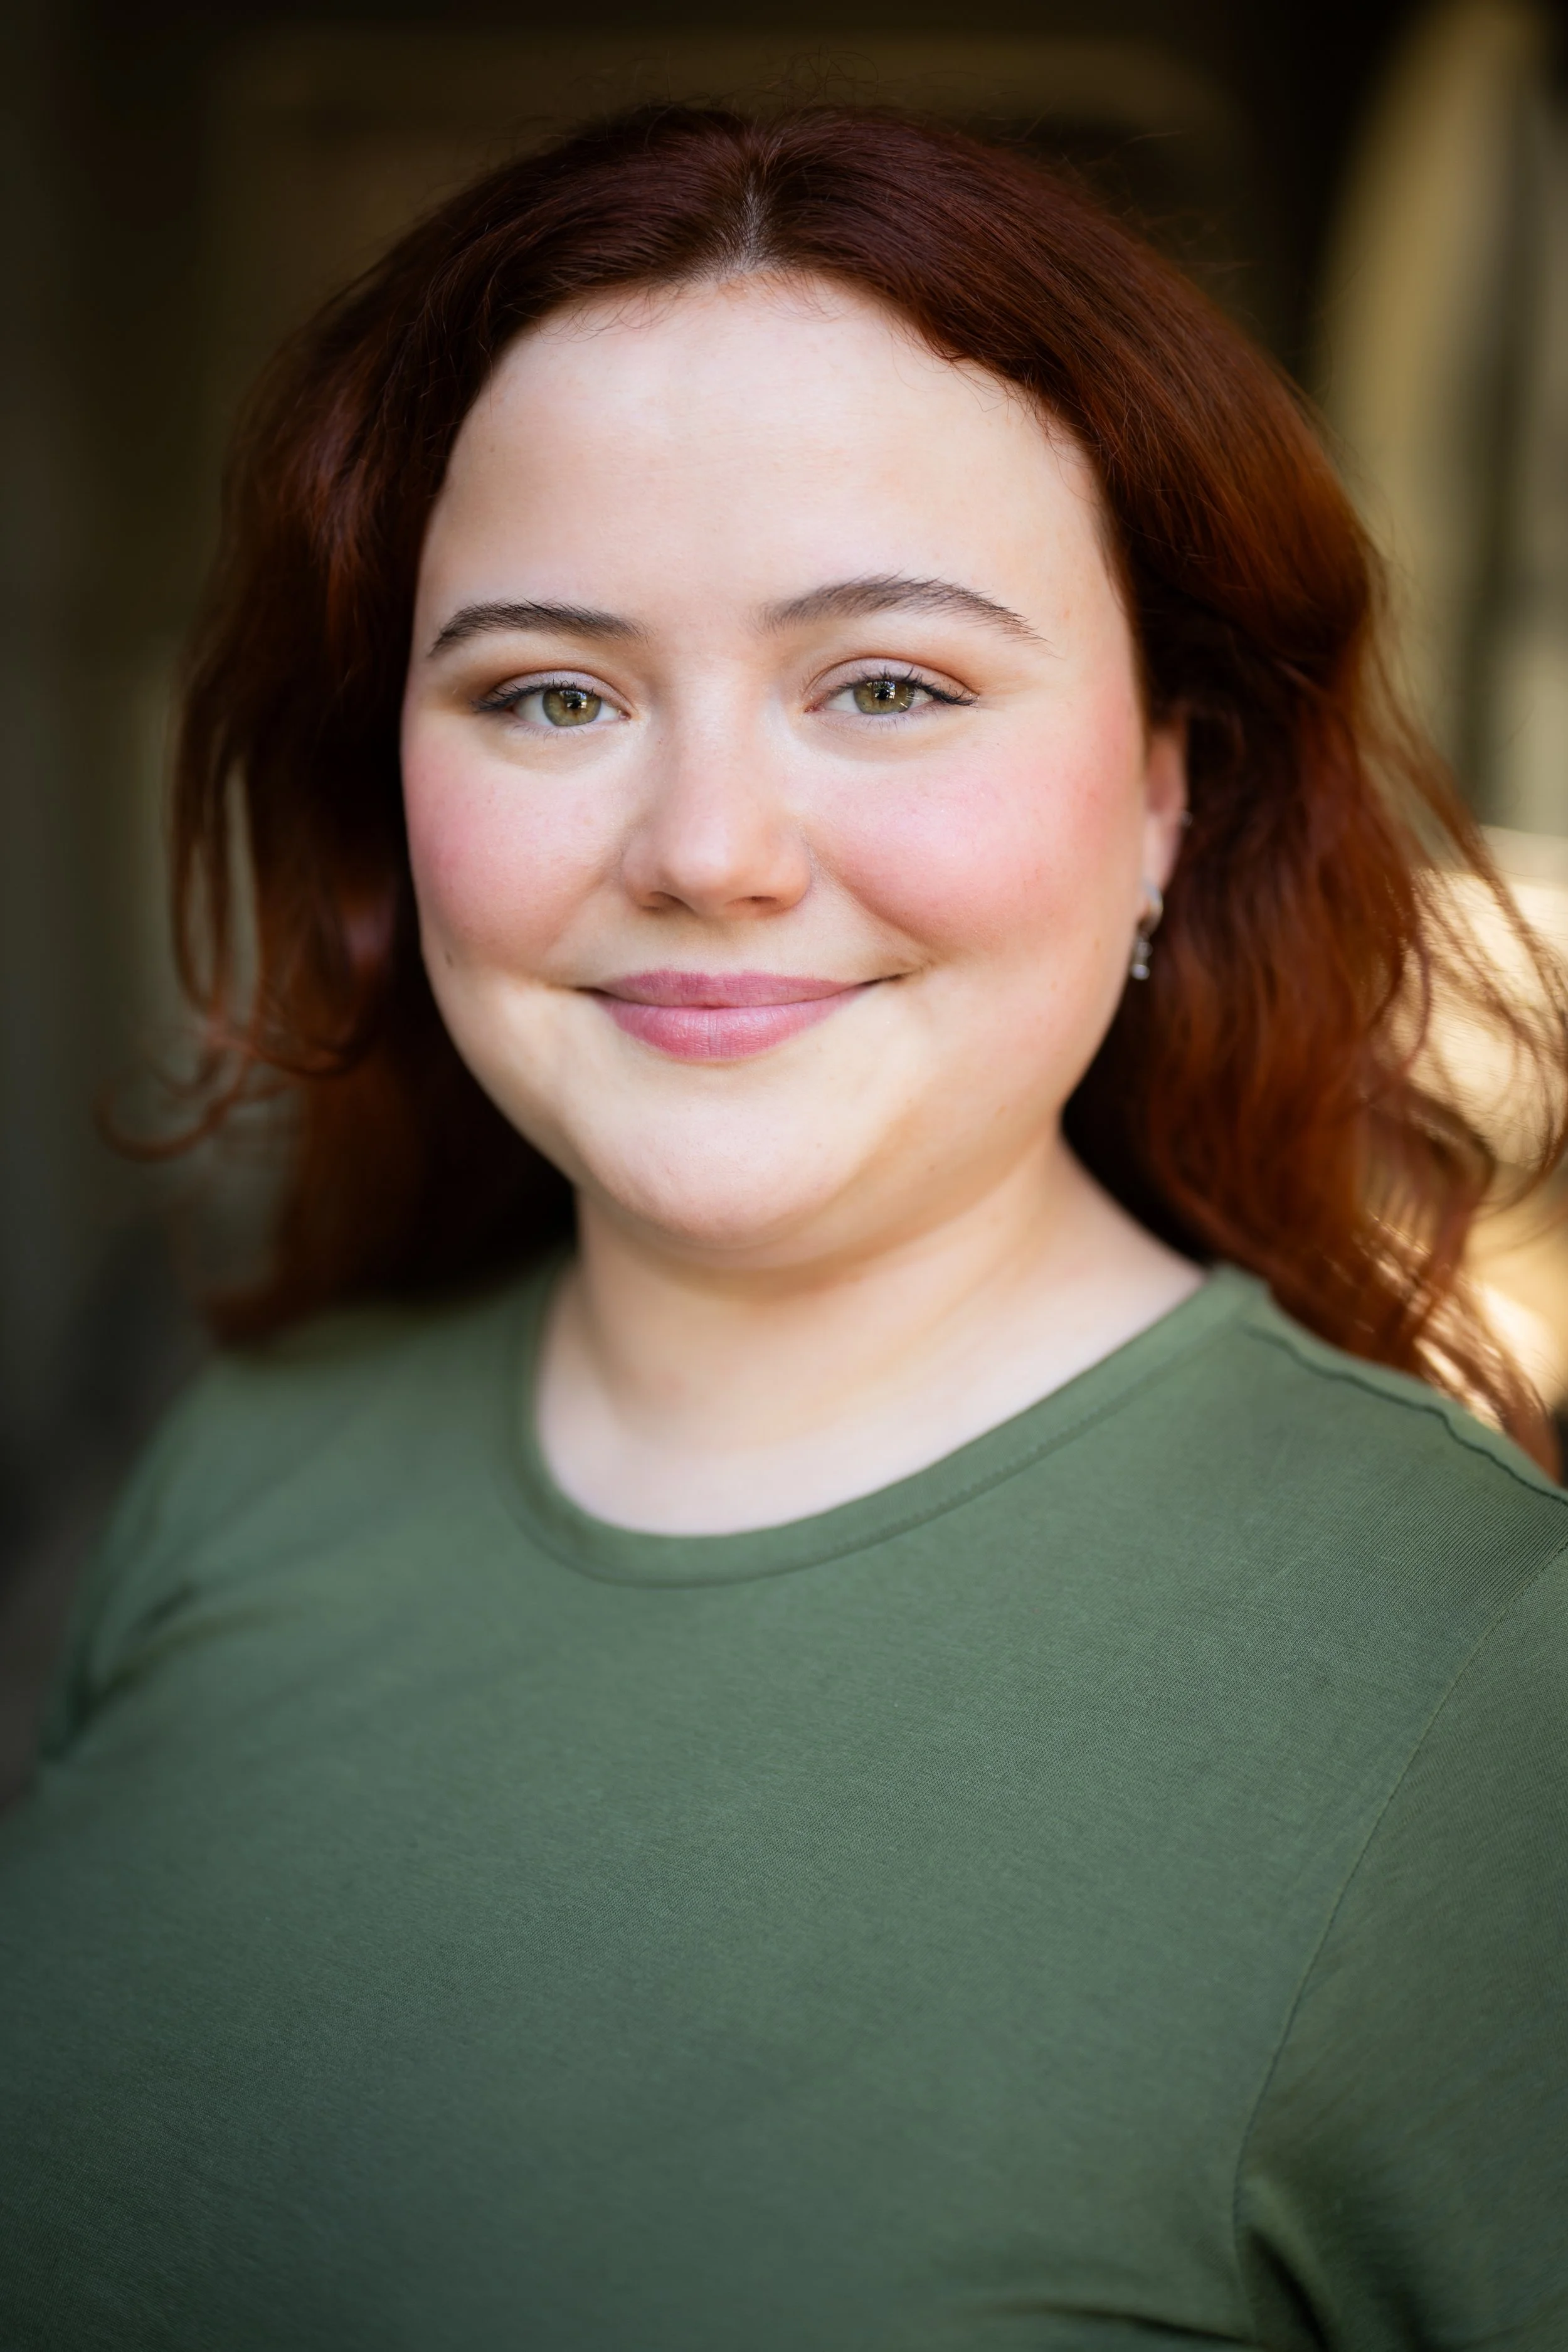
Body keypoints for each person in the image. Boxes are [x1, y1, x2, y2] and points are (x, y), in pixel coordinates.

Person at [2, 105, 1565, 2351]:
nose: (709, 845)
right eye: (549, 692)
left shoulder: (1486, 1701)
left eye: (891, 685)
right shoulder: (251, 1463)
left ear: (1164, 790)